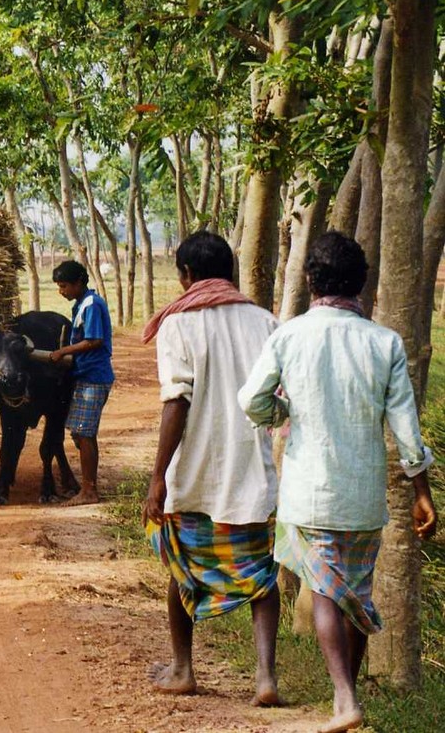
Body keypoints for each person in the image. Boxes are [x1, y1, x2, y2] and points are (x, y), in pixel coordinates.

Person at [238, 231, 437, 733]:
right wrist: (421, 492)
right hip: (363, 495)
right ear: (362, 284)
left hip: (308, 491)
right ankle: (343, 698)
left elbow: (251, 401)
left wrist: (282, 411)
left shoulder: (288, 335)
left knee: (325, 594)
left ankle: (345, 698)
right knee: (357, 598)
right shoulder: (384, 341)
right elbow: (406, 429)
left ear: (310, 281)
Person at [141, 230, 281, 705]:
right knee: (262, 577)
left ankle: (183, 669)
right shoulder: (266, 321)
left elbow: (175, 402)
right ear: (231, 271)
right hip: (252, 475)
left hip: (195, 475)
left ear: (185, 275)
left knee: (182, 568)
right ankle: (265, 678)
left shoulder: (178, 325)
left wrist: (157, 477)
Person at [49, 259, 114, 506]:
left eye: (64, 286)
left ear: (79, 283)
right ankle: (88, 486)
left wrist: (64, 351)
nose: (61, 291)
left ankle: (89, 491)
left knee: (84, 434)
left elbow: (94, 340)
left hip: (94, 376)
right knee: (81, 432)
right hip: (85, 375)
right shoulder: (81, 304)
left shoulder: (91, 305)